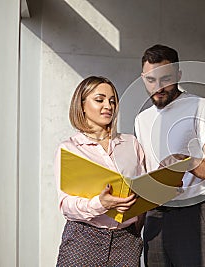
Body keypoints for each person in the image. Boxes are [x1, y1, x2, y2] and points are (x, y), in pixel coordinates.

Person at [134, 44, 205, 267]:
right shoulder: (142, 119)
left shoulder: (200, 106)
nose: (158, 87)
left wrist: (186, 162)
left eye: (165, 79)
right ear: (142, 78)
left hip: (193, 215)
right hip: (154, 216)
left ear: (179, 75)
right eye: (150, 80)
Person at [54, 76, 145, 267]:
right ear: (82, 105)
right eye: (100, 99)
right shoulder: (70, 149)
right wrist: (100, 203)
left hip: (126, 242)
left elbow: (143, 189)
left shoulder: (131, 144)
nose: (108, 106)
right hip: (83, 239)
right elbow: (66, 205)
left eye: (112, 101)